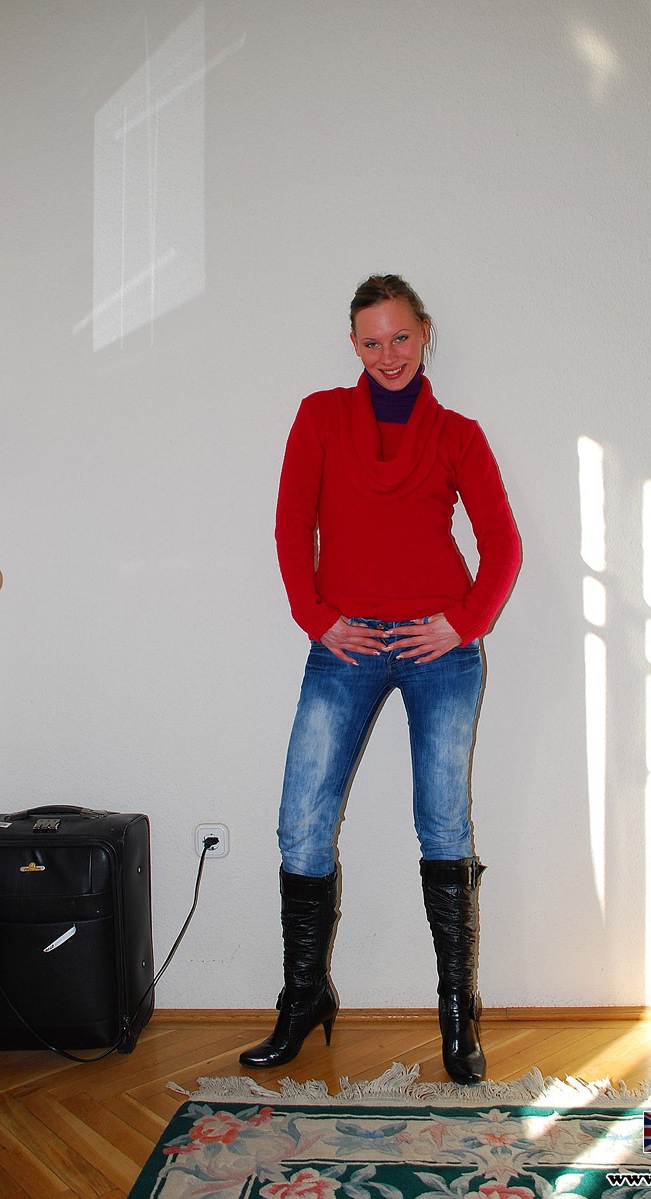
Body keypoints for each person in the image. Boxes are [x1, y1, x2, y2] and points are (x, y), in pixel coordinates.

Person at [239, 275, 521, 1084]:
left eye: (400, 337)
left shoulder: (459, 434)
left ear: (424, 332)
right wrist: (315, 616)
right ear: (353, 344)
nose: (388, 354)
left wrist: (464, 623)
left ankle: (458, 1015)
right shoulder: (320, 417)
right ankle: (303, 997)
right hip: (346, 645)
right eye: (371, 341)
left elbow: (502, 544)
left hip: (440, 651)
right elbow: (292, 523)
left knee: (444, 826)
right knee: (301, 822)